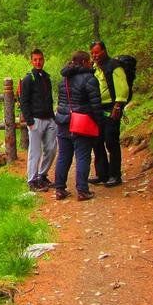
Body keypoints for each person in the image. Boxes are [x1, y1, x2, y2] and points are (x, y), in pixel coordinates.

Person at [53, 50, 104, 201]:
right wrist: (99, 123)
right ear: (83, 62)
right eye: (89, 61)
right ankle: (82, 190)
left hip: (63, 122)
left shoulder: (64, 79)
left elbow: (62, 101)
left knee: (63, 156)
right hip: (81, 123)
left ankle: (59, 189)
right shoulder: (90, 79)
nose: (91, 63)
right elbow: (96, 104)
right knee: (82, 156)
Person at [89, 40, 129, 187]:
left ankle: (115, 175)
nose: (95, 55)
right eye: (92, 53)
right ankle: (102, 174)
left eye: (97, 52)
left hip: (112, 108)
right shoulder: (94, 68)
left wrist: (118, 106)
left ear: (104, 51)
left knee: (111, 141)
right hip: (97, 108)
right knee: (97, 141)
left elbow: (123, 88)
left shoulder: (114, 66)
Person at [19, 48, 57, 191]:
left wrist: (53, 118)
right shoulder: (28, 79)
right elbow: (24, 101)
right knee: (35, 152)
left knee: (51, 149)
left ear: (43, 60)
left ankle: (42, 175)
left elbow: (50, 98)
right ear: (31, 61)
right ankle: (32, 180)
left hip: (49, 118)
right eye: (35, 60)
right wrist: (29, 121)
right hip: (35, 120)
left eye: (40, 59)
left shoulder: (46, 77)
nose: (38, 62)